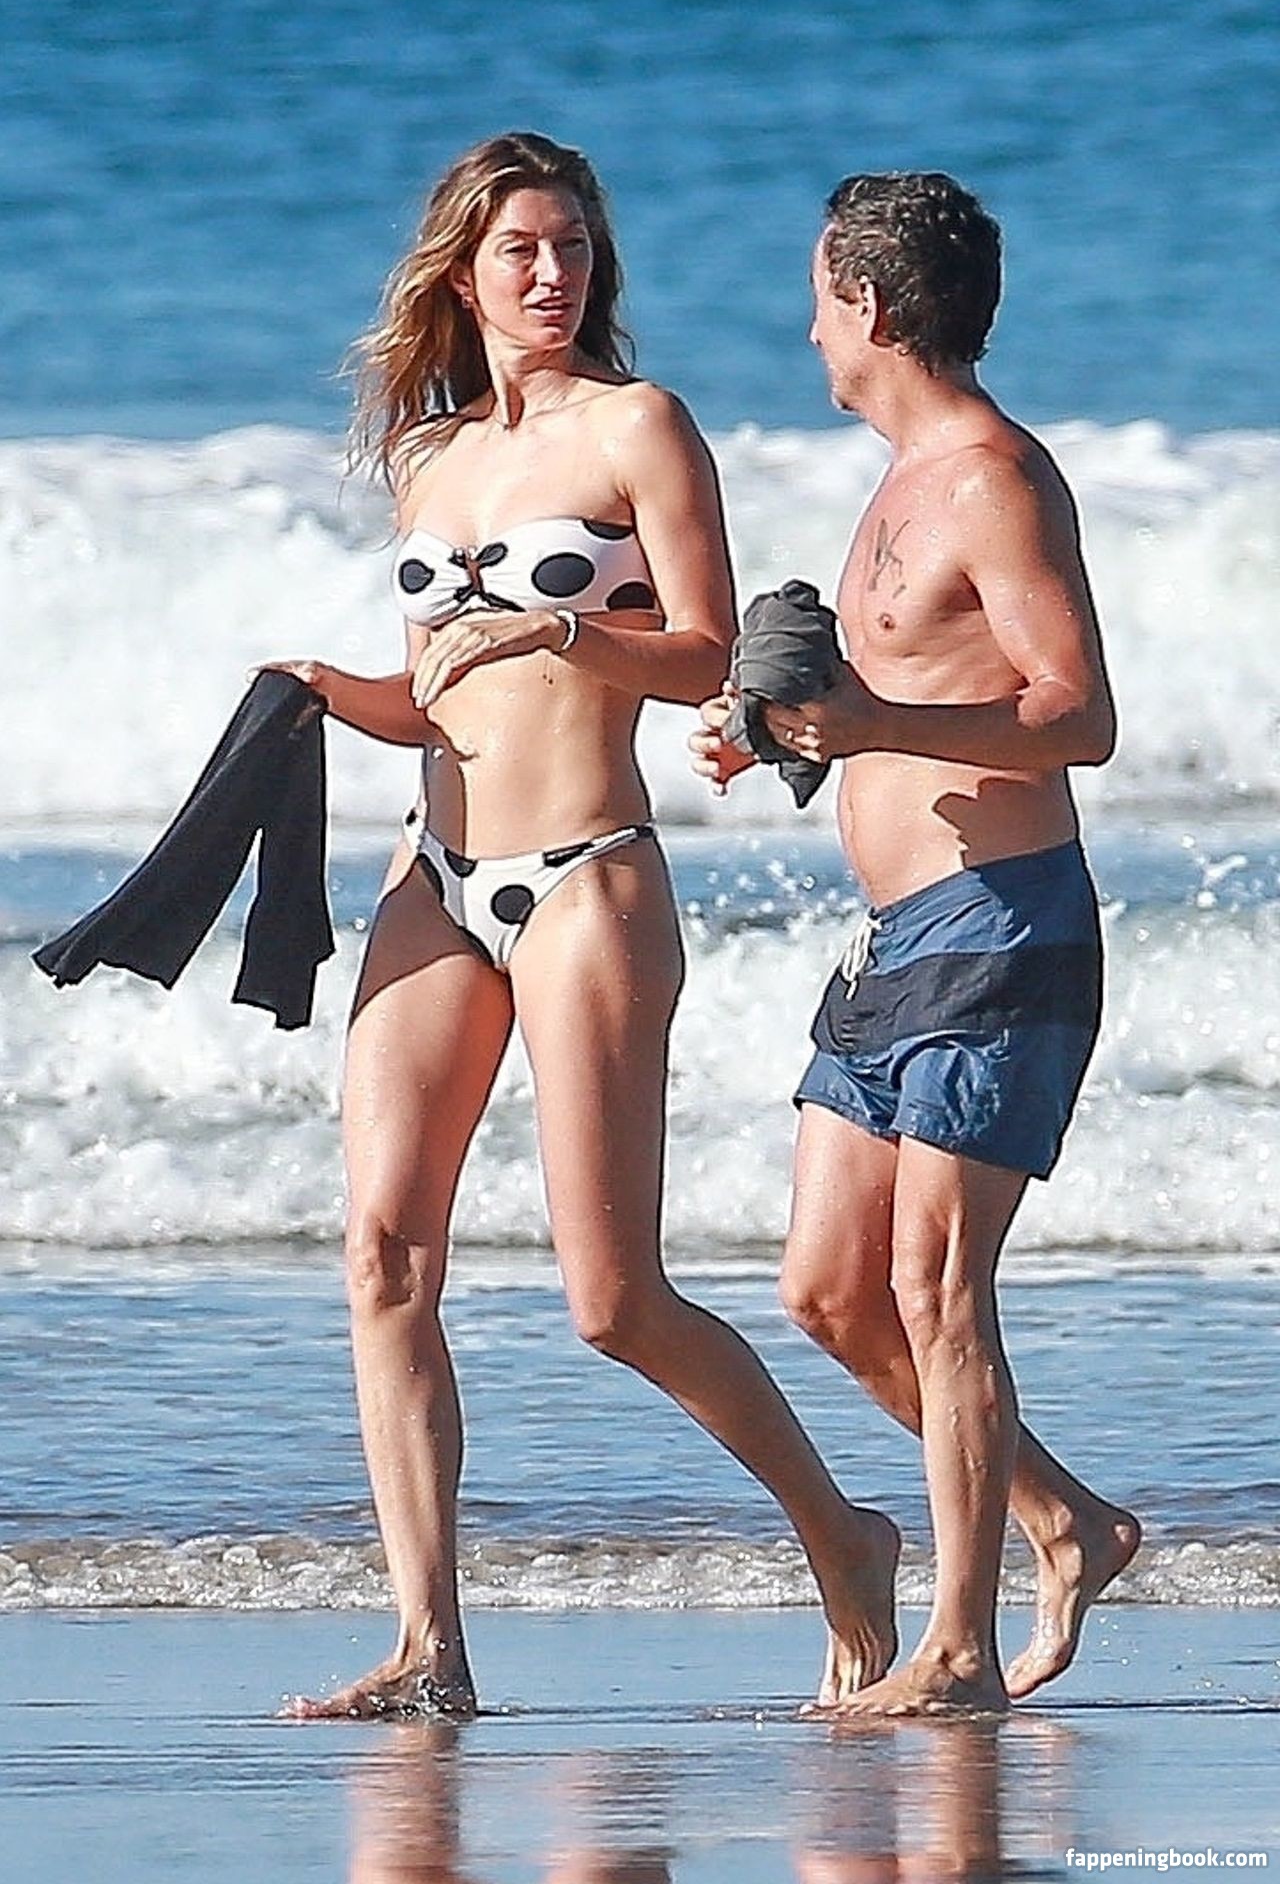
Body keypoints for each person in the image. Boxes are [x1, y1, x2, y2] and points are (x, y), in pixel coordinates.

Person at [268, 132, 899, 1719]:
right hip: (435, 873)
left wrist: (563, 624)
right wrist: (319, 693)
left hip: (586, 879)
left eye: (572, 247)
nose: (553, 274)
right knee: (382, 1256)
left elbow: (708, 656)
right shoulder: (429, 457)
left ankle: (843, 1534)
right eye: (521, 250)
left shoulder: (641, 425)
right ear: (463, 271)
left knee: (613, 1300)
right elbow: (436, 694)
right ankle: (430, 1646)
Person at [691, 172, 1140, 1715]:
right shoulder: (897, 479)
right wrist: (782, 736)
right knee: (829, 1289)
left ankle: (957, 1648)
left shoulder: (993, 480)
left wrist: (873, 721)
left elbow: (1076, 713)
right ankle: (1065, 1522)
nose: (808, 329)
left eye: (820, 298)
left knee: (937, 1285)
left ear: (871, 306)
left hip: (1003, 926)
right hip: (895, 939)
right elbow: (910, 695)